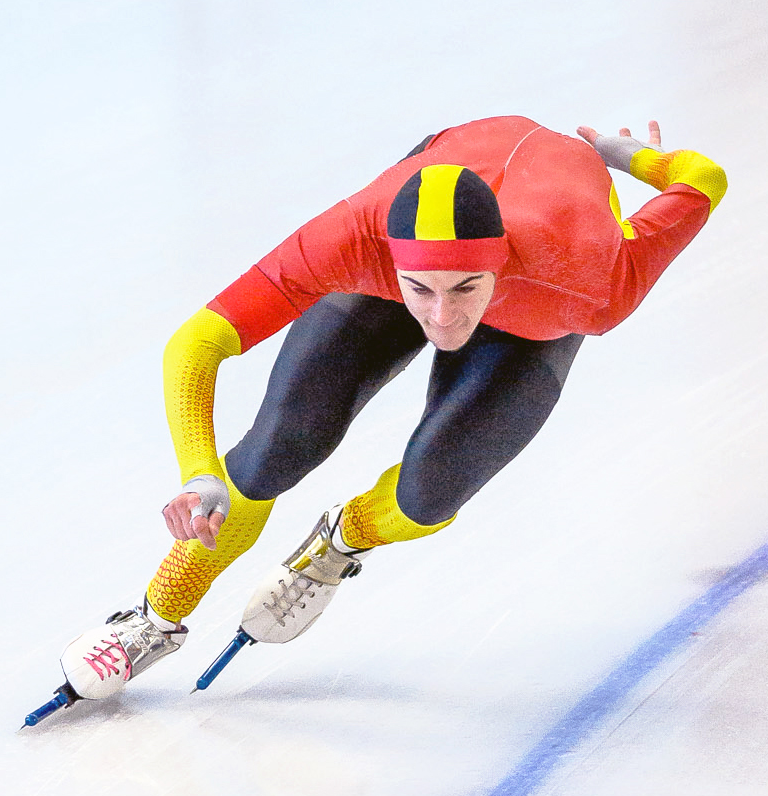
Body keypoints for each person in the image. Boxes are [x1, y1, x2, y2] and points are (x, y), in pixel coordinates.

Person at [53, 115, 727, 702]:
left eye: (466, 288)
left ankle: (338, 545)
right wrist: (199, 470)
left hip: (537, 278)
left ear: (497, 267)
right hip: (416, 228)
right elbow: (196, 343)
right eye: (422, 291)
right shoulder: (353, 236)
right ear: (390, 261)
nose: (443, 317)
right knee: (279, 445)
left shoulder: (589, 277)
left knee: (432, 489)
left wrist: (620, 154)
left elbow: (702, 179)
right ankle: (153, 617)